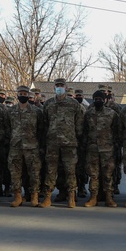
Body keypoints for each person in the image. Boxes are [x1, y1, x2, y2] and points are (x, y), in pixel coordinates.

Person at [40, 77, 84, 208]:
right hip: (52, 143)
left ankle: (71, 196)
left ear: (66, 87)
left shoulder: (74, 104)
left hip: (69, 143)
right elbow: (44, 123)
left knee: (70, 170)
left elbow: (79, 123)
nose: (59, 87)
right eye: (57, 85)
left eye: (61, 85)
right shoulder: (48, 104)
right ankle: (47, 196)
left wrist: (76, 137)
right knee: (51, 170)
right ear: (54, 88)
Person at [8, 85, 46, 207]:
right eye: (21, 94)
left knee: (34, 172)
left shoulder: (36, 111)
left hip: (32, 146)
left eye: (25, 94)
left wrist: (40, 145)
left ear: (28, 95)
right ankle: (17, 196)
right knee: (15, 173)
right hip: (16, 146)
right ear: (17, 95)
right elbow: (7, 128)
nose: (23, 96)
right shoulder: (11, 111)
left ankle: (34, 196)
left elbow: (41, 129)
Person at [81, 89, 118, 207]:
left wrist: (116, 146)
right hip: (92, 149)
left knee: (107, 175)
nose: (98, 101)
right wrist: (84, 146)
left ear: (104, 100)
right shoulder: (88, 113)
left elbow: (117, 131)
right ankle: (93, 197)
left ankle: (108, 197)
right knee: (93, 175)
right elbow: (84, 131)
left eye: (100, 99)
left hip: (107, 149)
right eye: (96, 99)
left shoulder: (111, 114)